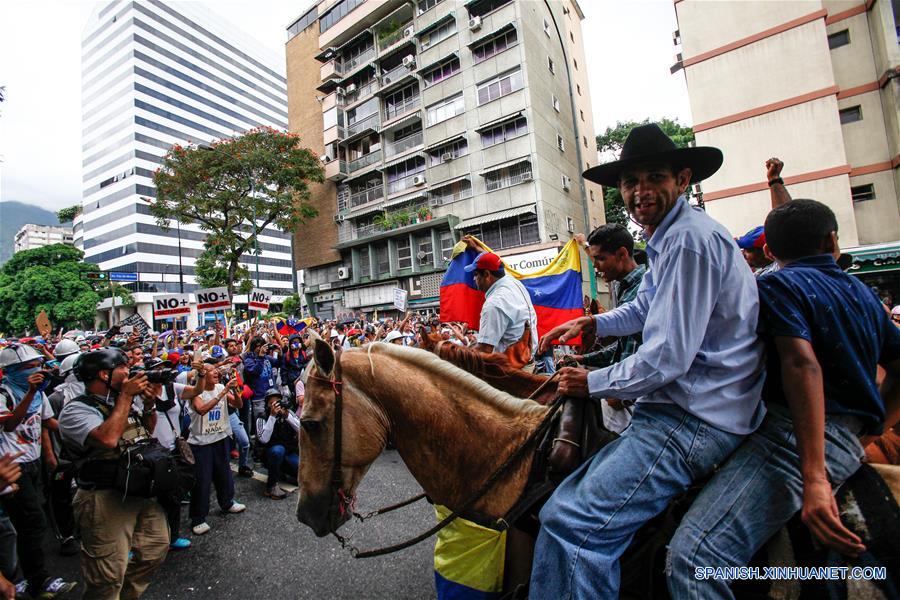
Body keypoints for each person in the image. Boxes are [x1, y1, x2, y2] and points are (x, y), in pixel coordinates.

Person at [529, 123, 765, 599]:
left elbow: (666, 358)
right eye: (630, 182)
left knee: (567, 522)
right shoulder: (669, 237)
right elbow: (645, 309)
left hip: (692, 417)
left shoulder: (688, 241)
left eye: (653, 178)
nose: (640, 192)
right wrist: (593, 325)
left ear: (681, 179)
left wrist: (588, 383)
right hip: (684, 407)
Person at [667, 200, 900, 598]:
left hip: (792, 440)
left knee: (695, 560)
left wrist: (815, 477)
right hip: (842, 438)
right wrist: (868, 431)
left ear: (770, 254)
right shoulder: (861, 292)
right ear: (833, 242)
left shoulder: (775, 286)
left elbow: (800, 364)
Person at [58, 348, 166, 599]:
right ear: (104, 375)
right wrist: (126, 397)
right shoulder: (76, 410)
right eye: (124, 369)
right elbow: (107, 438)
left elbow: (146, 432)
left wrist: (148, 404)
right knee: (107, 574)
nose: (130, 373)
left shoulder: (123, 400)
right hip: (104, 497)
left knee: (155, 548)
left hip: (138, 488)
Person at [0, 344, 76, 598]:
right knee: (32, 522)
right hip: (11, 467)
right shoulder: (5, 394)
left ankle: (26, 578)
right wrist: (31, 392)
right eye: (28, 367)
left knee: (30, 521)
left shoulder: (39, 394)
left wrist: (81, 435)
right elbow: (10, 424)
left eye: (36, 365)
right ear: (11, 371)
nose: (35, 370)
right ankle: (35, 579)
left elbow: (47, 423)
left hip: (35, 462)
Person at [566, 224, 647, 434]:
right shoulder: (624, 287)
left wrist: (623, 394)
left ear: (622, 254)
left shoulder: (643, 289)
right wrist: (584, 360)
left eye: (600, 259)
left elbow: (650, 354)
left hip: (639, 402)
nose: (596, 267)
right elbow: (624, 346)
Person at [186, 360, 246, 535]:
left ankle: (227, 502)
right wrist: (224, 392)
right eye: (210, 370)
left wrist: (235, 391)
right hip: (201, 442)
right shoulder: (194, 392)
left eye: (216, 370)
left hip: (220, 437)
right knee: (202, 480)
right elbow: (202, 410)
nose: (215, 373)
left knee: (224, 474)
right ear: (201, 374)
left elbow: (239, 405)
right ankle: (198, 518)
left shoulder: (220, 387)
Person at [465, 251, 539, 361]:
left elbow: (485, 349)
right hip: (526, 360)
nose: (473, 279)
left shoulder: (494, 304)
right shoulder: (513, 282)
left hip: (509, 371)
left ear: (487, 275)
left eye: (475, 274)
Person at [255, 388, 300, 500]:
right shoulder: (262, 416)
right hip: (271, 453)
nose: (275, 405)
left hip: (288, 451)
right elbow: (263, 439)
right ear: (267, 404)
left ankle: (281, 470)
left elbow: (301, 428)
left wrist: (286, 415)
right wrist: (272, 417)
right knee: (277, 451)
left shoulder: (288, 413)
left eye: (277, 402)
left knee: (302, 474)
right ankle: (271, 486)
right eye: (271, 403)